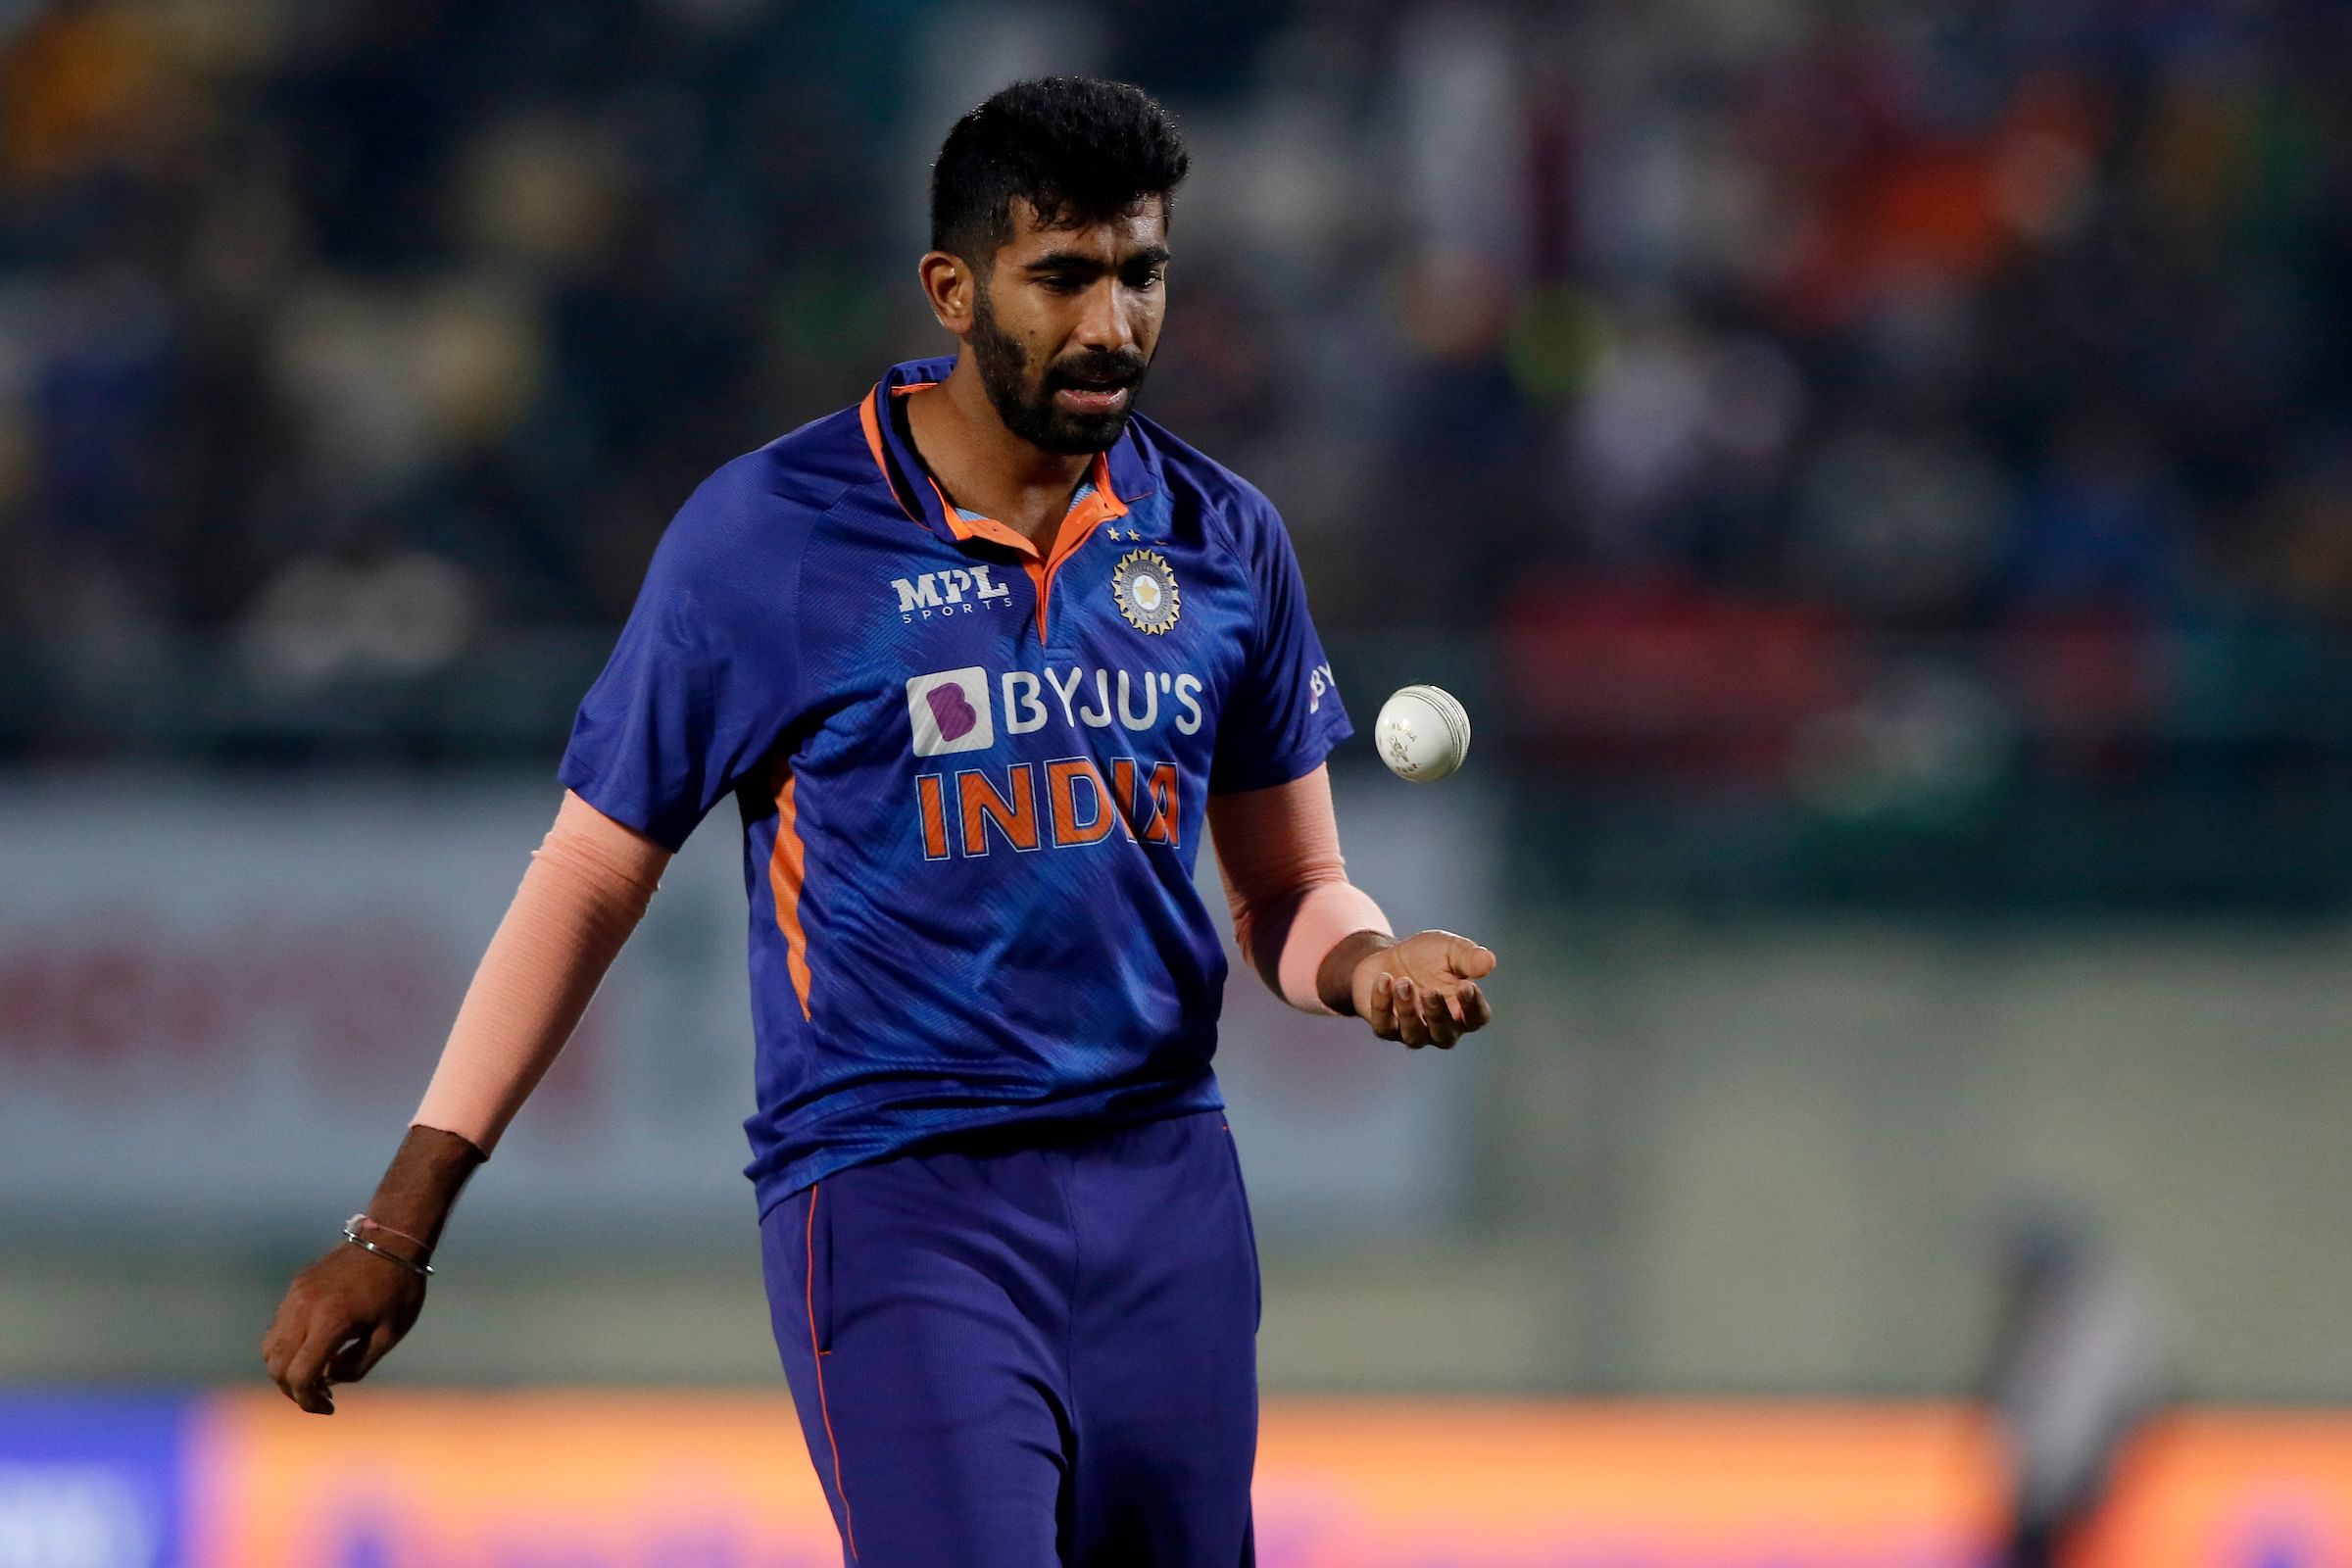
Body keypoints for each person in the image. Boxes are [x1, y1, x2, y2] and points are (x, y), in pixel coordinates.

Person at [261, 75, 1496, 1566]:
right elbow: (589, 872)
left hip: (1166, 1189)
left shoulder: (1222, 537)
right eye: (1063, 278)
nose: (1113, 325)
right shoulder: (772, 534)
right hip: (901, 1198)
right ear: (953, 290)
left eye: (1143, 274)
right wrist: (400, 1221)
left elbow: (1290, 887)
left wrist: (1367, 967)